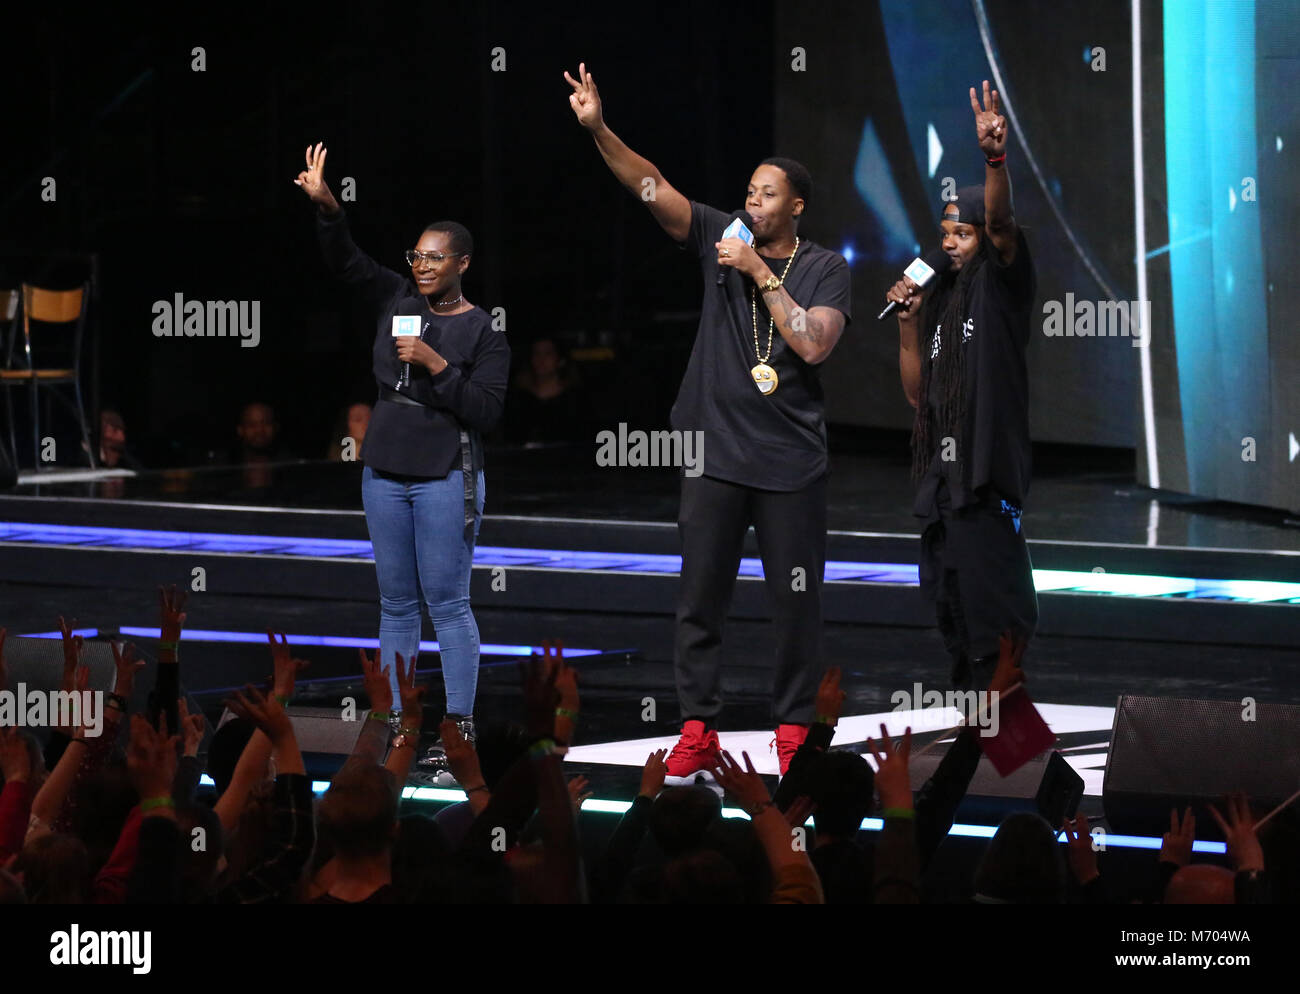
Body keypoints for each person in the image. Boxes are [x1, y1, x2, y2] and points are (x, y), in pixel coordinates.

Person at [565, 63, 852, 777]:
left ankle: (792, 726)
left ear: (796, 209)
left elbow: (813, 343)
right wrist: (599, 128)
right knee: (700, 599)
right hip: (714, 451)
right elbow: (651, 186)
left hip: (789, 462)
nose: (752, 202)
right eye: (750, 191)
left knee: (795, 604)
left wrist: (757, 271)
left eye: (767, 195)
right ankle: (698, 725)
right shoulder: (719, 234)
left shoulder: (823, 269)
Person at [294, 141, 509, 786]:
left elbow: (488, 412)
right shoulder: (395, 296)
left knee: (447, 605)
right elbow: (346, 263)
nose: (421, 266)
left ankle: (457, 732)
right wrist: (330, 209)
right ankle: (396, 724)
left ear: (461, 264)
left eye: (434, 258)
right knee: (394, 605)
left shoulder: (482, 331)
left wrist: (438, 363)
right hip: (384, 470)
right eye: (416, 256)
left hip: (447, 473)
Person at [886, 81, 1038, 692]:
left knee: (994, 636)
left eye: (962, 232)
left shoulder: (1001, 286)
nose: (949, 241)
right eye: (945, 231)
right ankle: (976, 742)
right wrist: (908, 326)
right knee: (954, 624)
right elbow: (918, 398)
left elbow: (1001, 221)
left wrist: (994, 158)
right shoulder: (943, 297)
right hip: (942, 490)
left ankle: (1022, 761)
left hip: (984, 480)